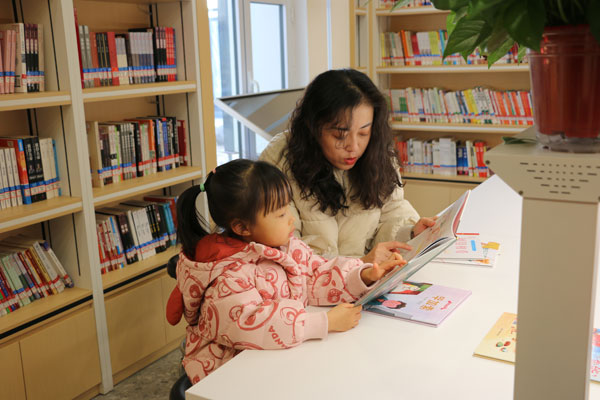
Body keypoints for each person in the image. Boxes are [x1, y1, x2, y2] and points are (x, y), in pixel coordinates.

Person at [166, 159, 406, 384]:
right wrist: (323, 322)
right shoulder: (228, 277)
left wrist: (362, 275)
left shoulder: (284, 246)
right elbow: (252, 324)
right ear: (242, 227)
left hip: (278, 356)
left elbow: (315, 273)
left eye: (287, 209)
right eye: (280, 214)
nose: (291, 219)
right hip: (231, 372)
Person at [259, 68, 436, 260]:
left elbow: (392, 212)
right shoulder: (280, 159)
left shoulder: (378, 154)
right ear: (313, 126)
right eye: (340, 135)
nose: (353, 146)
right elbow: (285, 252)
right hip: (308, 284)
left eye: (363, 133)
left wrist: (411, 233)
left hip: (365, 279)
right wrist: (358, 268)